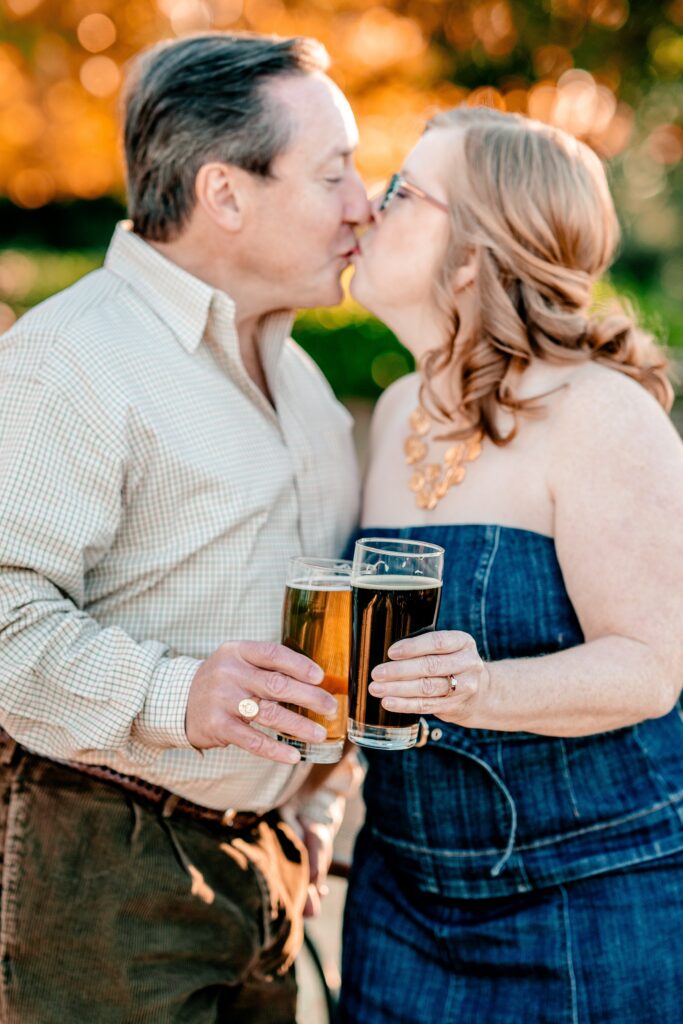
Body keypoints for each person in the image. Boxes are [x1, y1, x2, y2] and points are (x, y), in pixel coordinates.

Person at [0, 32, 369, 1023]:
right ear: (225, 192)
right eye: (332, 172)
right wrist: (174, 691)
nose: (361, 203)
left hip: (267, 870)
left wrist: (312, 808)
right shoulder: (69, 359)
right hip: (102, 876)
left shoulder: (304, 385)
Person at [339, 106, 683, 1023]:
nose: (366, 208)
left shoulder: (600, 415)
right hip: (399, 903)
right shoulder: (401, 404)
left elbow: (650, 669)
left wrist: (480, 691)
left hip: (593, 901)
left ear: (473, 254)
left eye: (401, 191)